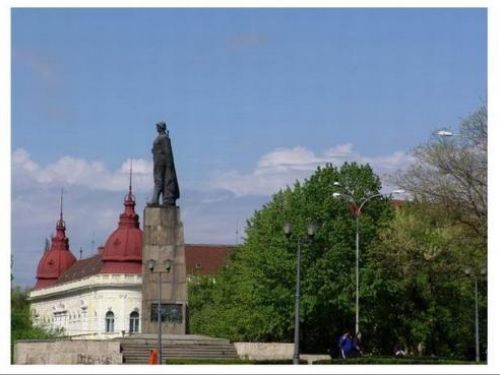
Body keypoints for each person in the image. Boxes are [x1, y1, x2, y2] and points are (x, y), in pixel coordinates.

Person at [148, 121, 180, 206]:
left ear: (160, 127)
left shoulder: (164, 138)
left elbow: (167, 152)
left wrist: (169, 165)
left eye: (157, 126)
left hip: (161, 162)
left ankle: (155, 199)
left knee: (159, 180)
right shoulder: (161, 138)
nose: (156, 128)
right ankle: (156, 199)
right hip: (158, 161)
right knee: (158, 180)